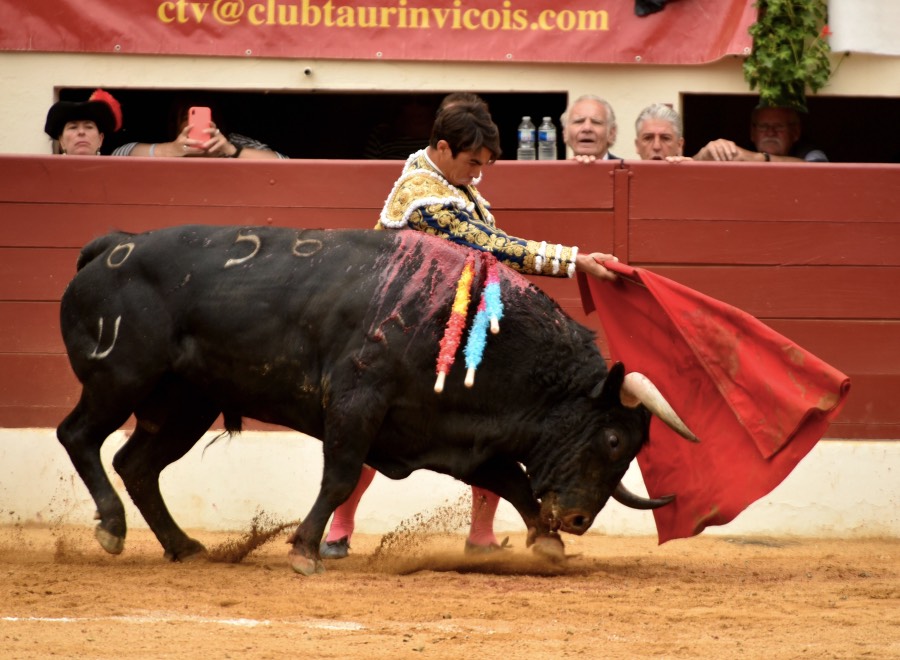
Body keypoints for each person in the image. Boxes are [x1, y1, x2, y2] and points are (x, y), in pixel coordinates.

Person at [320, 97, 619, 560]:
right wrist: (573, 261)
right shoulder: (420, 194)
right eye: (471, 162)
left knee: (493, 426)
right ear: (442, 147)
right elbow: (487, 244)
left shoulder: (460, 189)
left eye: (484, 164)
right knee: (372, 430)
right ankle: (339, 525)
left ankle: (480, 534)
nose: (478, 172)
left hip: (450, 334)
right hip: (398, 341)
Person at [111, 101, 287, 159]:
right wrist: (172, 150)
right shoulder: (171, 147)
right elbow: (120, 153)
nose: (196, 124)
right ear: (176, 126)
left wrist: (231, 151)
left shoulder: (232, 142)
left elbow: (284, 162)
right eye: (186, 118)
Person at [693, 105, 828, 163]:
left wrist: (760, 159)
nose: (770, 132)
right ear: (752, 133)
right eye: (763, 126)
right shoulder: (740, 150)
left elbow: (821, 171)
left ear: (795, 132)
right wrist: (704, 155)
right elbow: (689, 168)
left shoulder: (810, 152)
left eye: (778, 126)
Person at [44, 89, 122, 156]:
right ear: (62, 141)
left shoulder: (115, 173)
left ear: (100, 139)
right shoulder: (48, 173)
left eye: (89, 127)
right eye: (73, 127)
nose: (81, 132)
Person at [560, 95, 619, 162]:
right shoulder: (554, 172)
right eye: (579, 121)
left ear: (611, 133)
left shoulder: (629, 171)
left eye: (596, 122)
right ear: (565, 133)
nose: (587, 128)